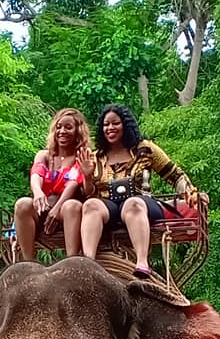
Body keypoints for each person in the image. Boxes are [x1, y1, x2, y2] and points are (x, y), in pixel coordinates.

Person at [77, 104, 200, 278]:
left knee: (132, 203)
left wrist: (190, 193)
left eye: (115, 123)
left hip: (142, 203)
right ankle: (88, 262)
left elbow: (174, 175)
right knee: (90, 205)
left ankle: (142, 262)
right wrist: (87, 176)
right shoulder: (95, 157)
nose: (110, 128)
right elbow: (89, 193)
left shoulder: (145, 149)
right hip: (109, 207)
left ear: (126, 124)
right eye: (106, 124)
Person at [14, 108, 90, 260]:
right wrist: (38, 192)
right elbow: (36, 175)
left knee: (71, 206)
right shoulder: (44, 155)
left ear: (78, 131)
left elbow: (73, 183)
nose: (62, 131)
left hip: (67, 212)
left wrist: (56, 209)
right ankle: (29, 262)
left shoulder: (82, 156)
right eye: (59, 127)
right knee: (22, 204)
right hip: (44, 207)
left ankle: (72, 261)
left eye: (68, 127)